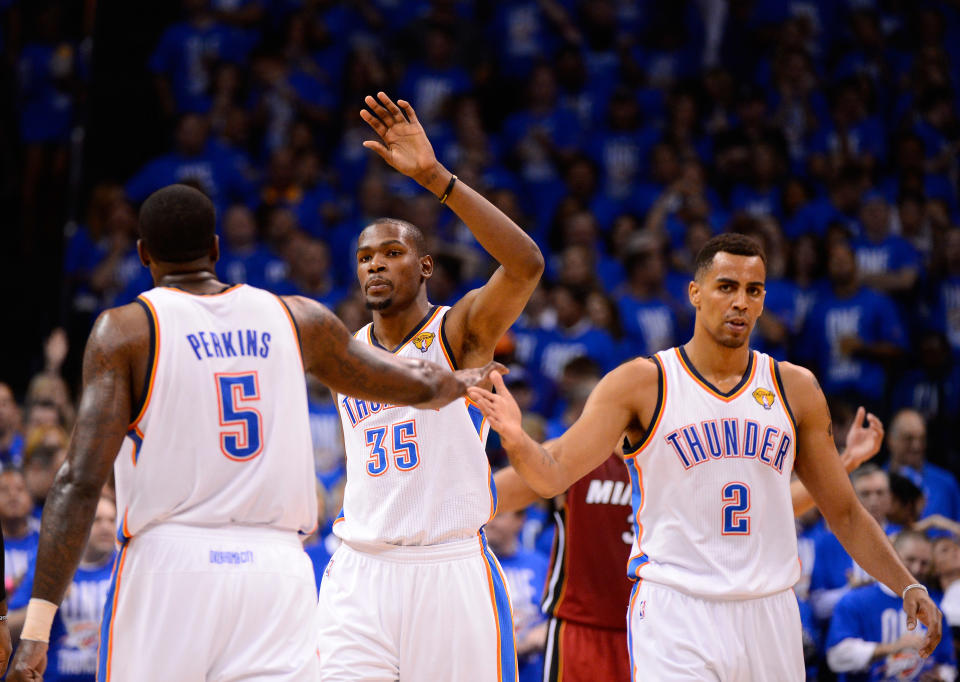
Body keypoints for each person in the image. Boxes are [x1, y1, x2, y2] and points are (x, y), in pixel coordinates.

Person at [7, 183, 499, 681]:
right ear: (217, 249)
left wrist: (37, 627)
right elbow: (415, 384)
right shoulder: (297, 317)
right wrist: (456, 383)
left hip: (172, 563)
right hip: (275, 569)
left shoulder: (128, 330)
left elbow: (78, 481)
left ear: (142, 255)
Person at [467, 233, 941, 680]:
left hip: (770, 608)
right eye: (727, 287)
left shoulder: (796, 388)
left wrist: (908, 585)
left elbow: (844, 512)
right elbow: (551, 475)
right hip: (677, 608)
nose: (740, 301)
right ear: (695, 292)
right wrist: (514, 436)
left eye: (754, 290)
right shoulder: (642, 382)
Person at [317, 92, 544, 681]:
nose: (374, 265)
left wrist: (435, 178)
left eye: (392, 253)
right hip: (359, 572)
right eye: (365, 256)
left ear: (424, 267)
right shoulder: (343, 348)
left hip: (448, 567)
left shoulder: (460, 329)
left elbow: (525, 266)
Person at [492, 407, 884, 682]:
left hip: (661, 629)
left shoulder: (680, 464)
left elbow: (768, 508)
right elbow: (495, 494)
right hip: (584, 631)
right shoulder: (574, 460)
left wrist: (844, 463)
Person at [8, 496, 117, 681]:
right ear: (78, 526)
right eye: (97, 520)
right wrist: (48, 604)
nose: (106, 527)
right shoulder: (50, 565)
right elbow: (6, 625)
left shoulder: (125, 567)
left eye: (112, 520)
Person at [826, 531, 955, 681]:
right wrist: (892, 648)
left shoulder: (933, 607)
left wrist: (941, 676)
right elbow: (836, 657)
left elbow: (948, 664)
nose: (916, 569)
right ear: (892, 556)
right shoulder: (855, 601)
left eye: (924, 563)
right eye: (910, 559)